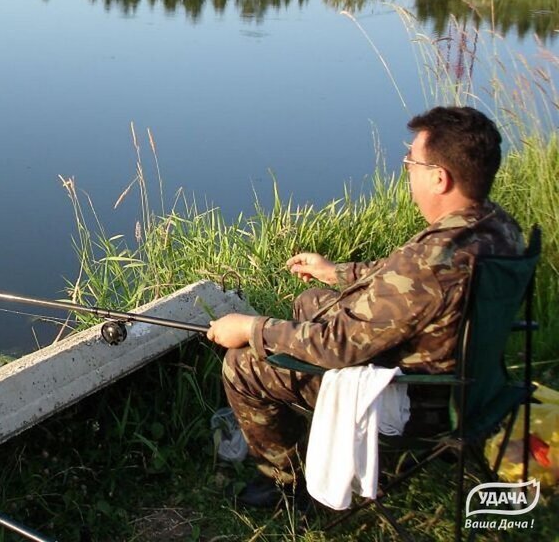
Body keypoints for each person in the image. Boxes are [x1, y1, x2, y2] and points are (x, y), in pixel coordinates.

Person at [206, 106, 524, 508]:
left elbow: (337, 347)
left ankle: (287, 485)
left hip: (417, 401)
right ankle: (302, 433)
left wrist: (252, 328)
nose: (406, 169)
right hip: (474, 387)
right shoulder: (497, 228)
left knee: (243, 365)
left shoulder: (432, 261)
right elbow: (400, 281)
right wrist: (337, 272)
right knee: (310, 301)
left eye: (411, 161)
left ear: (439, 178)